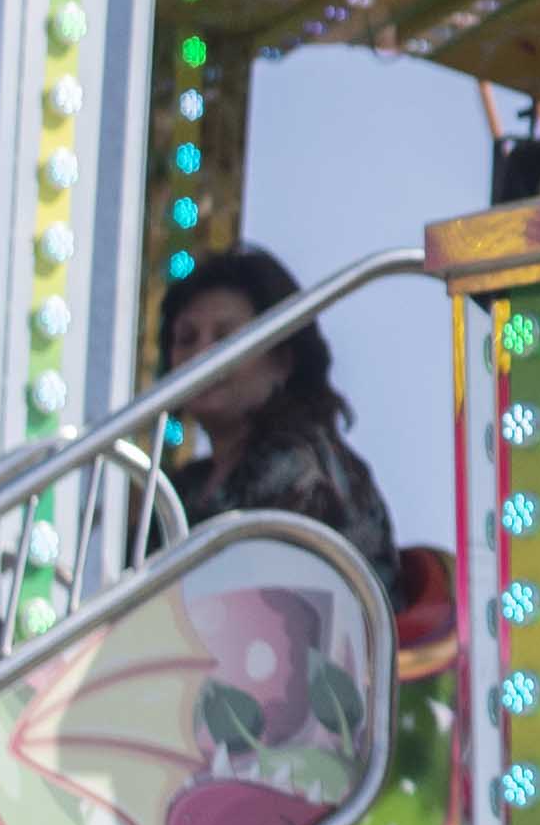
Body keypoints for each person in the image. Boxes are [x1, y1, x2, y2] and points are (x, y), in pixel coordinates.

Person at [159, 246, 400, 592]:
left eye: (225, 338)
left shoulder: (303, 465)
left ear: (283, 360)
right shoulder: (185, 488)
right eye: (186, 339)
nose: (201, 356)